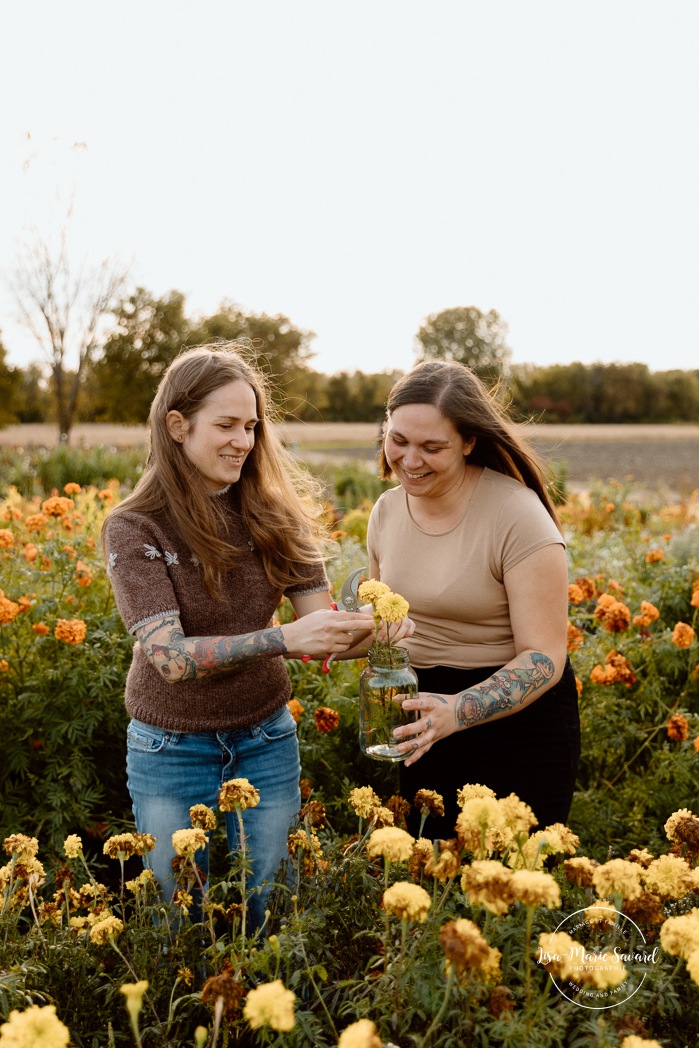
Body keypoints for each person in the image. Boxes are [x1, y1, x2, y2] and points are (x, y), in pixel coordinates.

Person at [102, 344, 374, 927]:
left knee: (271, 908)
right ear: (178, 426)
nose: (243, 441)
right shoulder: (134, 526)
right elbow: (169, 659)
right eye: (225, 425)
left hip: (265, 740)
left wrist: (378, 626)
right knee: (175, 915)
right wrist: (284, 639)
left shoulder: (276, 515)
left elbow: (319, 630)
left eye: (251, 426)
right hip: (169, 747)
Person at [366, 360, 581, 840]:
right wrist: (343, 633)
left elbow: (545, 657)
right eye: (398, 440)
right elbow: (391, 625)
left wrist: (458, 711)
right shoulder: (385, 511)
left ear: (469, 442)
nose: (410, 460)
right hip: (423, 720)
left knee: (506, 894)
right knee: (431, 884)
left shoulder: (517, 515)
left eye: (432, 447)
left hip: (520, 726)